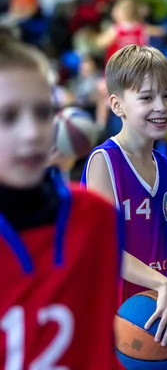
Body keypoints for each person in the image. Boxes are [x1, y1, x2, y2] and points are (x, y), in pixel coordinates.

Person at [82, 44, 167, 347]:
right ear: (117, 105)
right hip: (117, 323)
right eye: (146, 97)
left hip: (163, 323)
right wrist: (162, 283)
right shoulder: (105, 161)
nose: (162, 106)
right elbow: (105, 250)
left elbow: (166, 261)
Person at [0, 37, 121, 368]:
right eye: (8, 117)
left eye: (42, 113)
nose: (32, 133)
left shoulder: (96, 217)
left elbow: (97, 348)